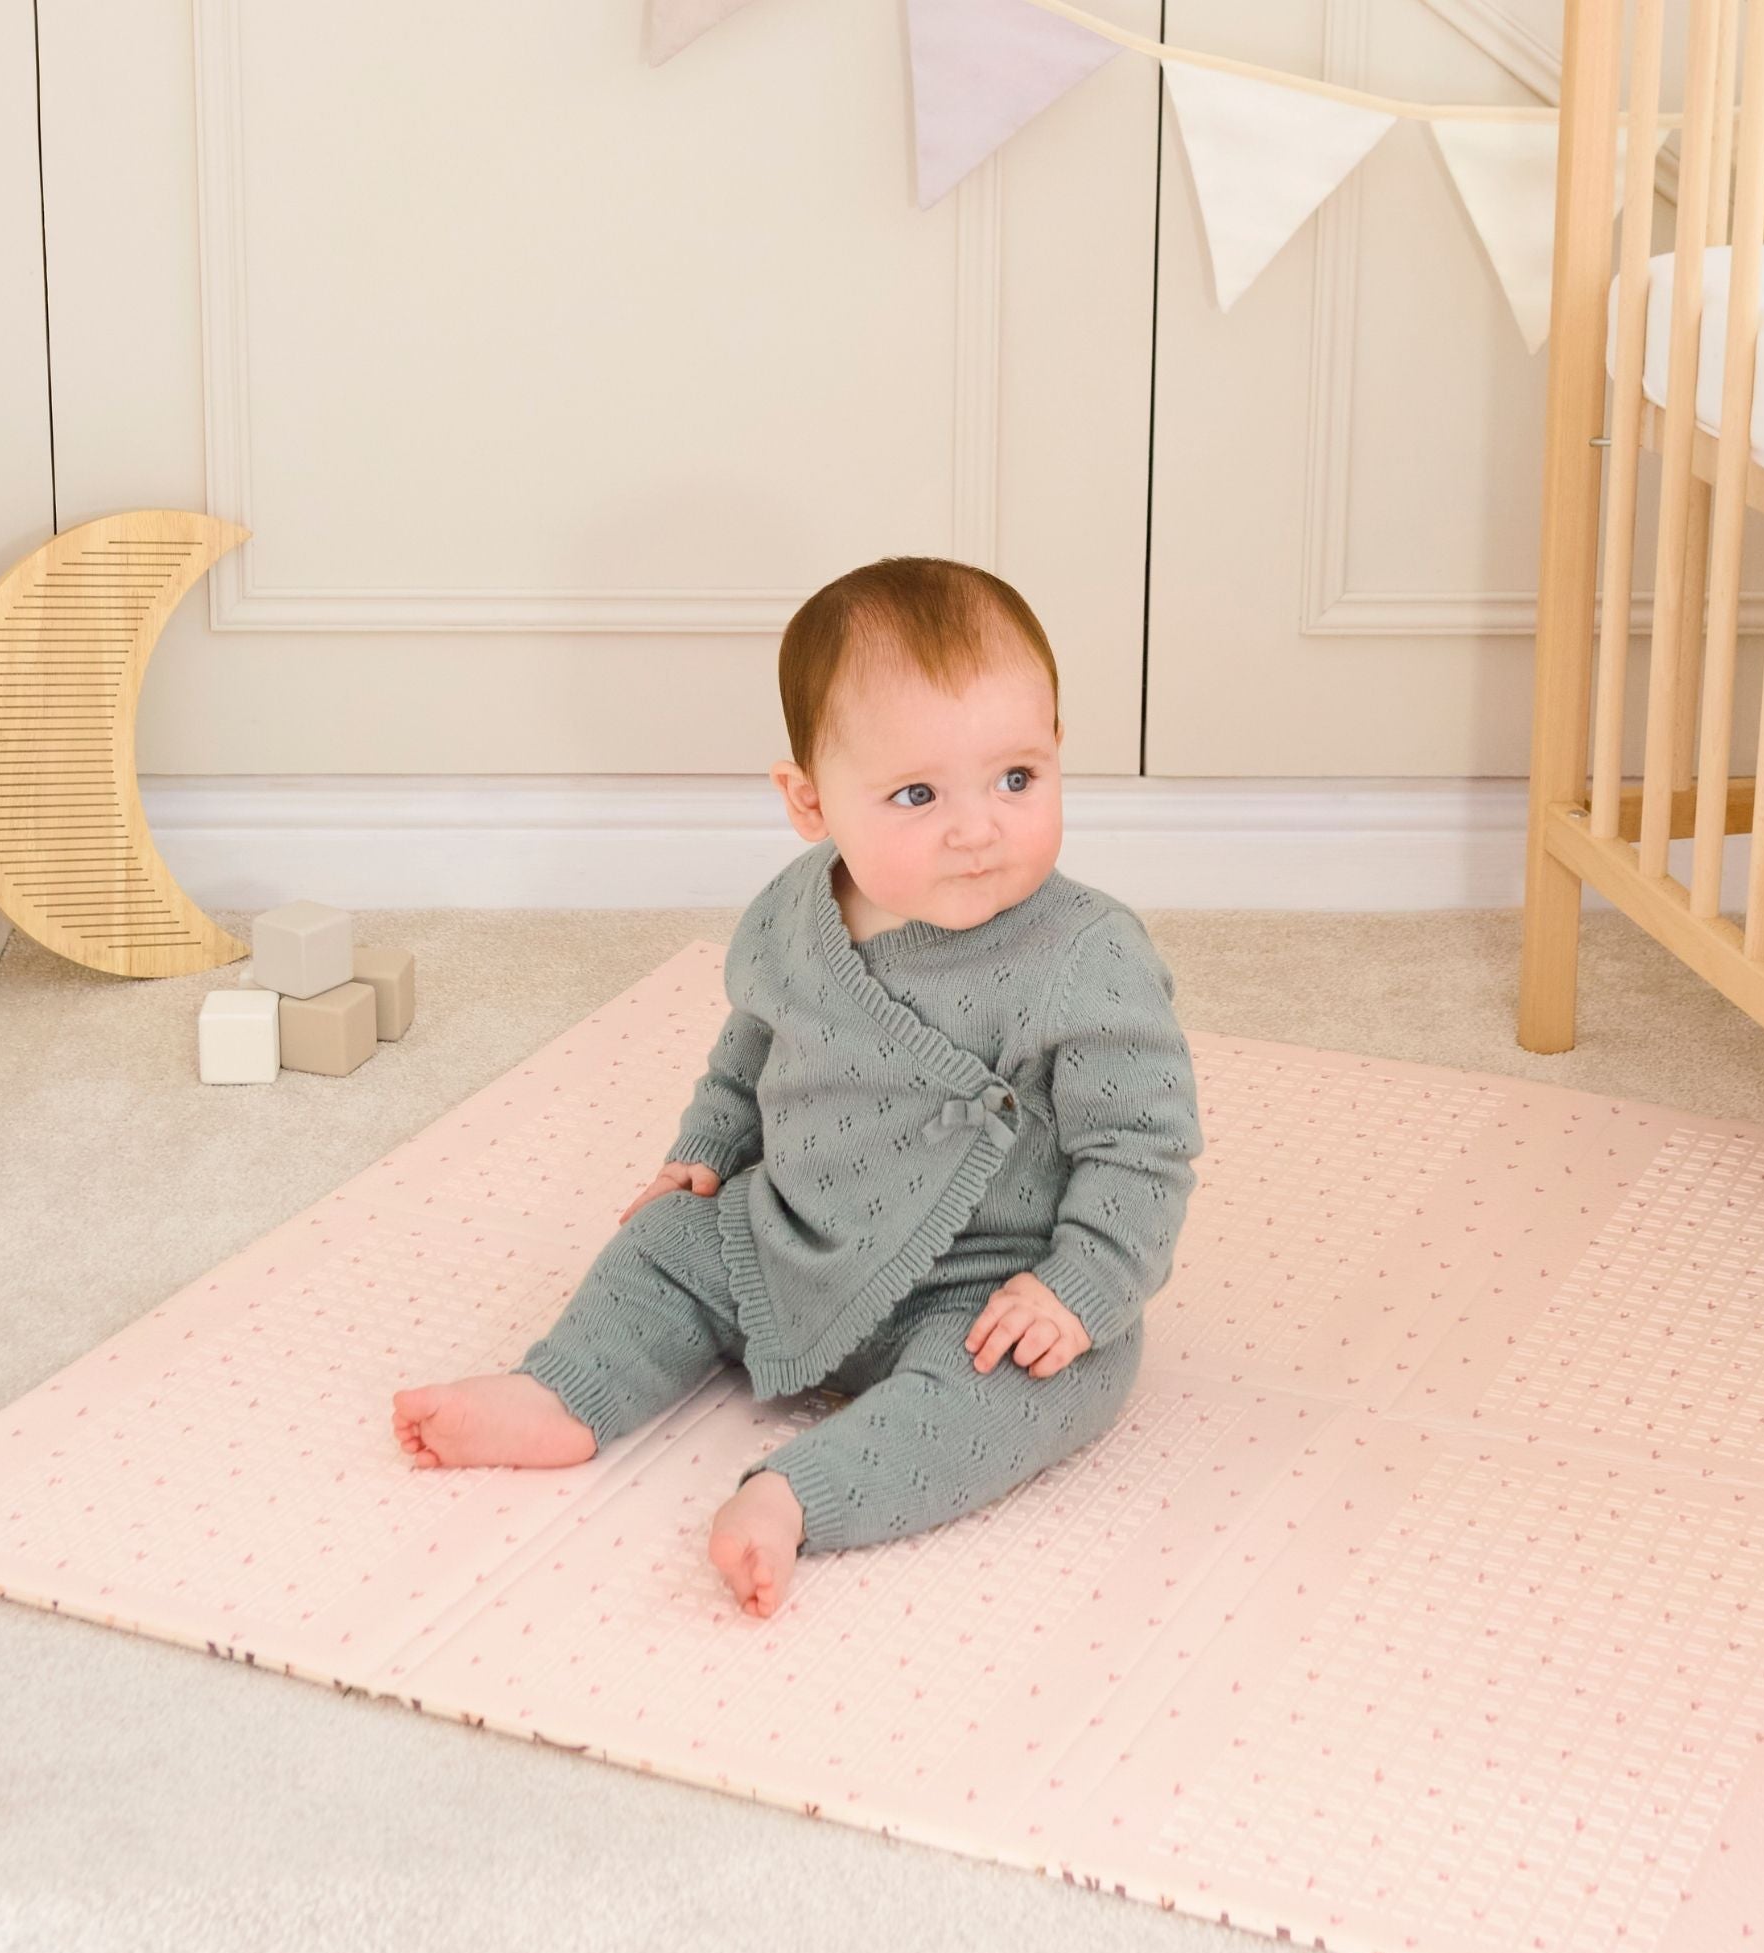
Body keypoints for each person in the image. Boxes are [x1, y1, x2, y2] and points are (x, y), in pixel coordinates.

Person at [391, 555, 1204, 1621]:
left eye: (1016, 778)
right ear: (807, 800)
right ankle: (562, 1391)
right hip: (790, 1234)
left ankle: (795, 1495)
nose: (977, 827)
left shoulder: (1085, 955)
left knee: (1043, 1384)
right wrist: (707, 1150)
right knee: (664, 1243)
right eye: (916, 794)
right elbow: (750, 1046)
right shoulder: (791, 913)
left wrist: (1080, 1284)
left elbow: (1144, 1146)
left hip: (989, 1284)